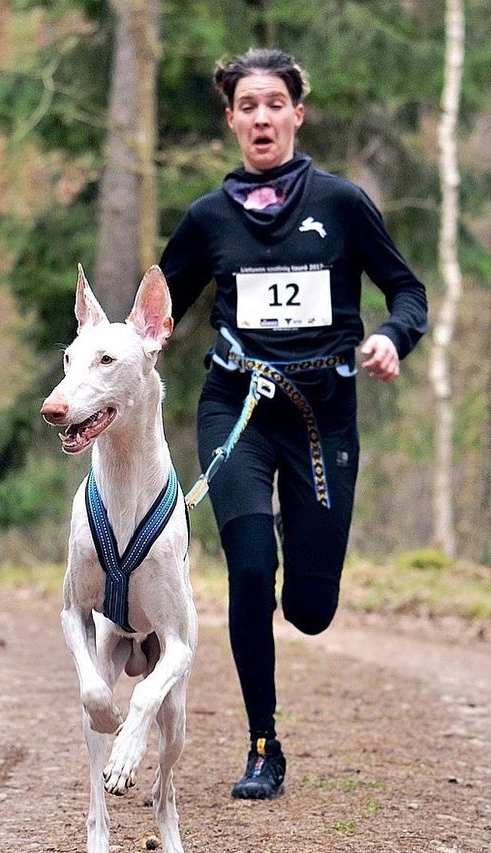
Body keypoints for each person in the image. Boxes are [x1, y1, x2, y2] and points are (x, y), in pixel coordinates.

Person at [159, 48, 427, 800]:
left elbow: (408, 290)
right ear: (232, 120)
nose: (262, 117)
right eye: (248, 105)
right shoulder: (208, 219)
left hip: (323, 419)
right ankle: (262, 746)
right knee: (249, 570)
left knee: (309, 609)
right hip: (236, 410)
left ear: (296, 115)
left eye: (275, 103)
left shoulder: (341, 204)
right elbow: (155, 315)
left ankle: (293, 536)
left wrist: (389, 338)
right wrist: (109, 367)